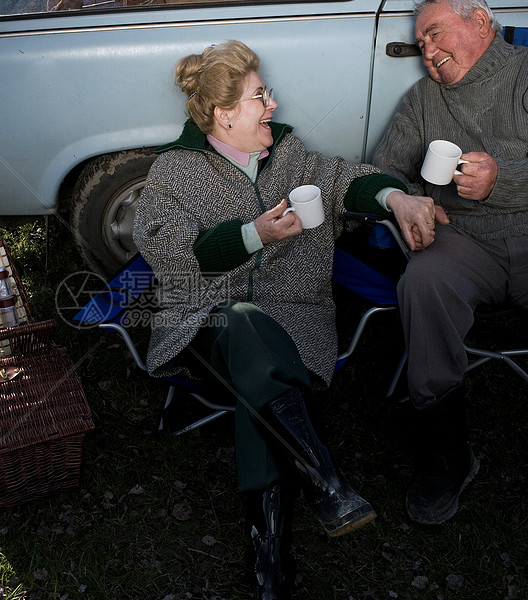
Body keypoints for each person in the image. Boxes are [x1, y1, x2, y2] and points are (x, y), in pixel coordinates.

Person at [132, 40, 432, 599]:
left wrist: (396, 198)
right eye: (258, 96)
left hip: (296, 319)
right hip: (205, 323)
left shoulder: (292, 156)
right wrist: (256, 235)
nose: (272, 103)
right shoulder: (174, 172)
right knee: (243, 323)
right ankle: (322, 478)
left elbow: (350, 180)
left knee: (259, 388)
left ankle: (270, 564)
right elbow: (167, 252)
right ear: (224, 115)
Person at [372, 0, 528, 527]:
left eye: (436, 35)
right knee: (425, 283)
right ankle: (446, 456)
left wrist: (502, 177)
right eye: (421, 45)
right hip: (467, 242)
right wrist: (409, 199)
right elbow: (380, 173)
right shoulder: (422, 100)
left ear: (479, 22)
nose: (428, 53)